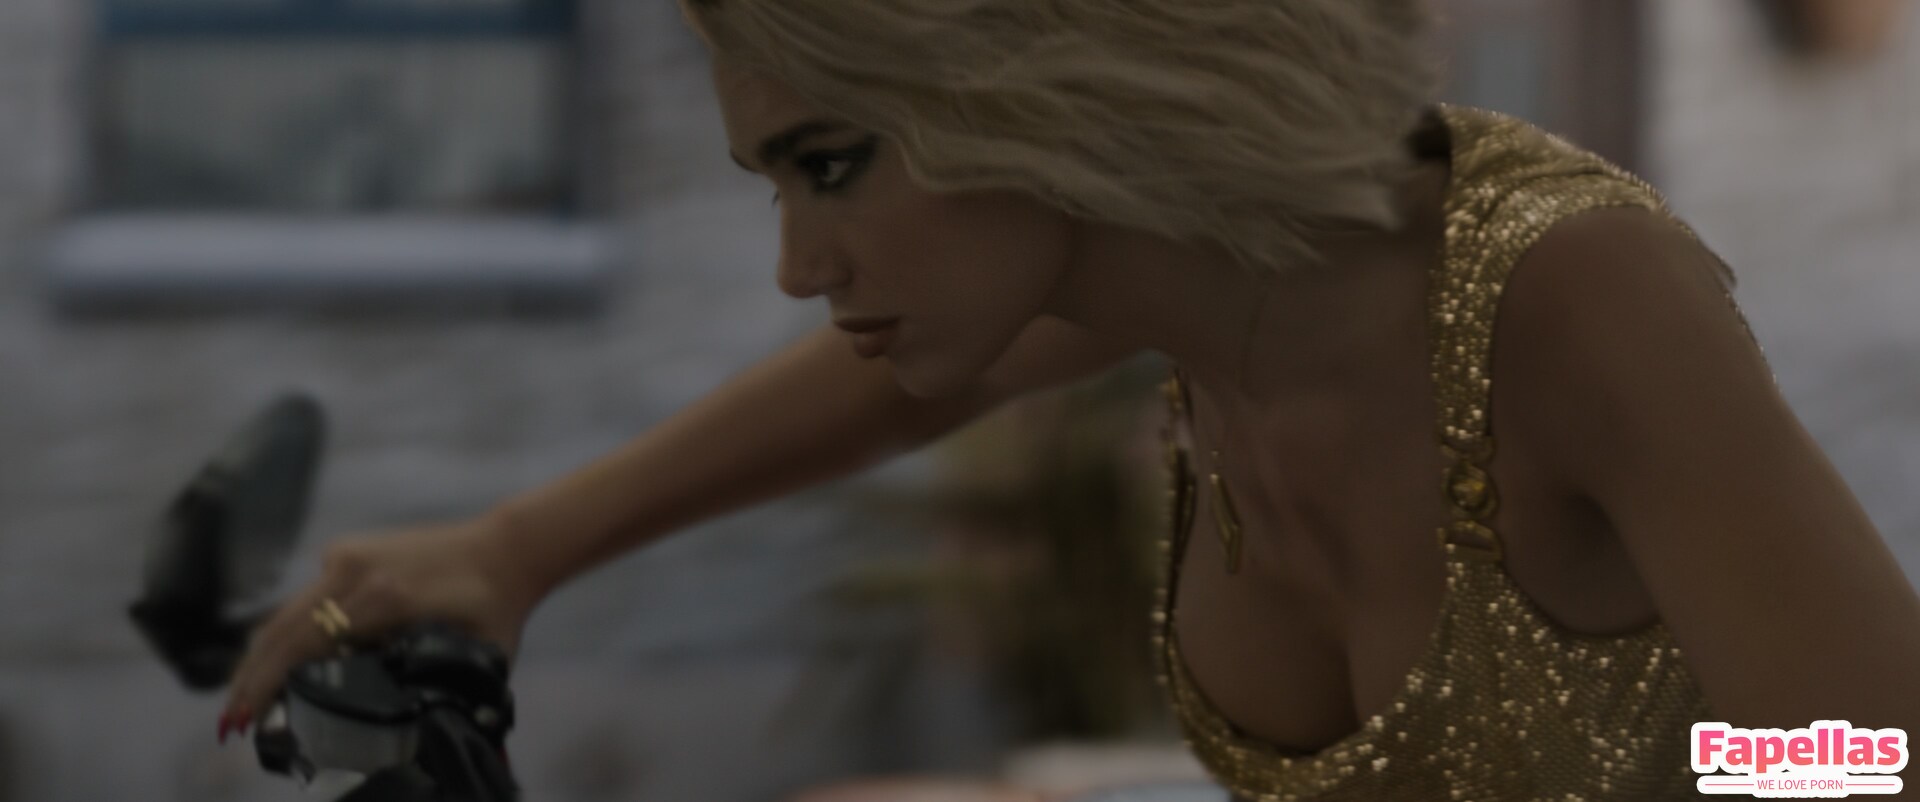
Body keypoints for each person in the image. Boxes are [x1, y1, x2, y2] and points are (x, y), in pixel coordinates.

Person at [219, 1, 1920, 799]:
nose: (799, 265)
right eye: (775, 183)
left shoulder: (1559, 292)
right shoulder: (1173, 288)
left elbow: (1872, 759)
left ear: (1033, 91)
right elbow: (878, 397)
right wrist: (518, 547)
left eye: (832, 164)